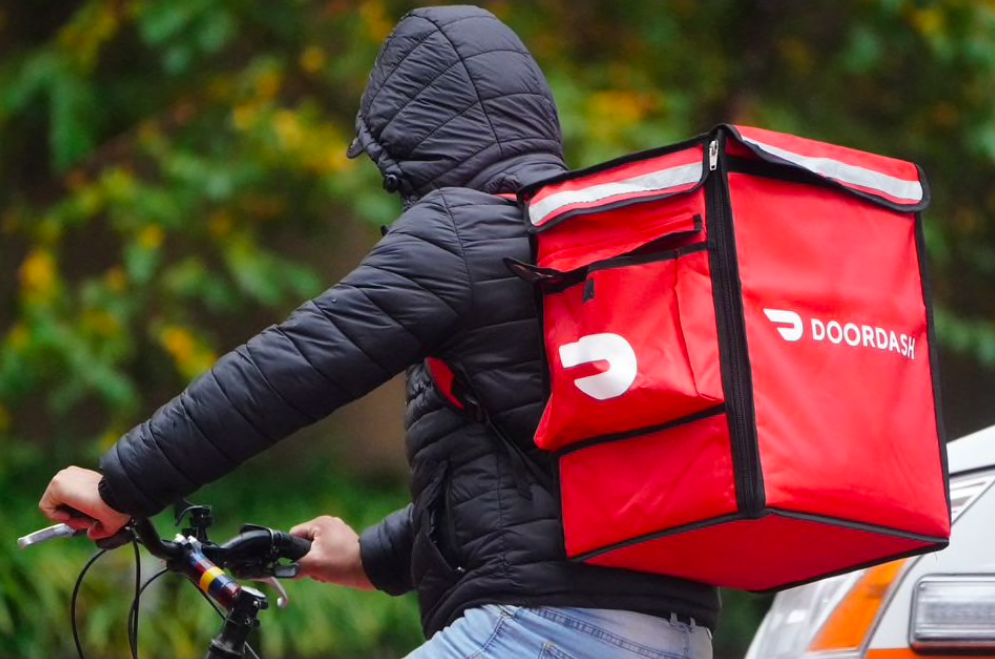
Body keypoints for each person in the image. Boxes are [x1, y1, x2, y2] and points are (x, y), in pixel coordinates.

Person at [39, 5, 717, 658]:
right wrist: (370, 555)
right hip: (676, 631)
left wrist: (122, 484)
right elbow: (548, 477)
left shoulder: (462, 229)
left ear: (415, 137)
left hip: (543, 628)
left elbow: (292, 365)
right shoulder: (589, 252)